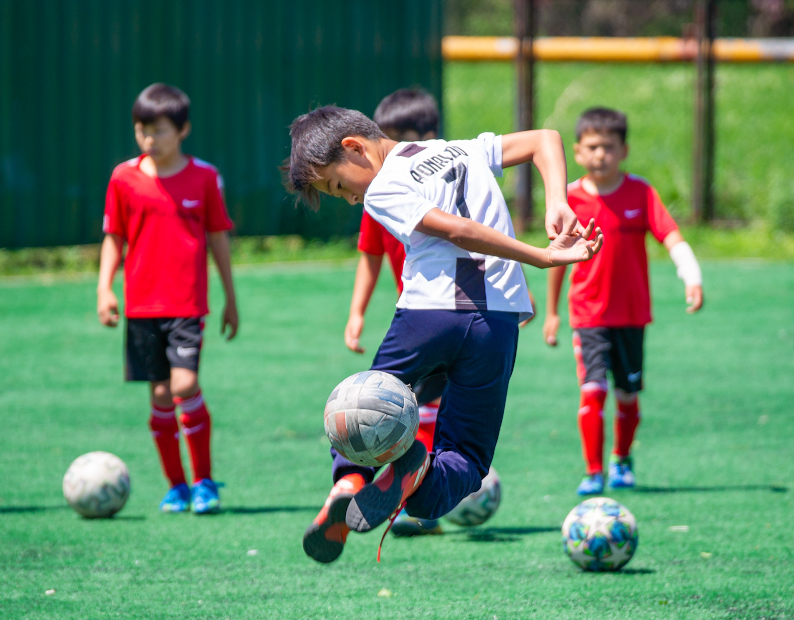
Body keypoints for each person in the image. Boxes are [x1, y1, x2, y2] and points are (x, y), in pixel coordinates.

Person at [283, 106, 602, 563]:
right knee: (467, 460)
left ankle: (349, 480)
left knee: (362, 403)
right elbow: (545, 139)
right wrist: (558, 202)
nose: (350, 199)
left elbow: (458, 230)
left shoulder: (383, 188)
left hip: (427, 315)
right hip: (495, 321)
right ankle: (417, 481)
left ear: (353, 147)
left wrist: (541, 257)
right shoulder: (457, 149)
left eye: (337, 185)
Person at [542, 107, 703, 496]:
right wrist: (551, 312)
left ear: (624, 150)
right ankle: (593, 472)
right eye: (593, 147)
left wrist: (692, 275)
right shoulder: (571, 200)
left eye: (609, 147)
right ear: (578, 152)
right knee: (593, 390)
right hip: (588, 314)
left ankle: (622, 460)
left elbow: (671, 235)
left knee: (627, 395)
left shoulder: (641, 193)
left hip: (631, 316)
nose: (601, 154)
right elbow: (557, 259)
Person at [97, 83, 238, 515]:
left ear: (183, 130)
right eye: (142, 130)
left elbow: (218, 238)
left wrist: (230, 297)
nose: (149, 139)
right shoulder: (123, 177)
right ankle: (177, 486)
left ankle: (204, 481)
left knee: (184, 384)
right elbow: (113, 237)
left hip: (187, 305)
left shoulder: (204, 177)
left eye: (158, 130)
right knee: (159, 394)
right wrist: (104, 287)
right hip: (141, 307)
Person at [344, 89, 445, 537]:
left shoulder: (444, 184)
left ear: (432, 138)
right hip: (417, 317)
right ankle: (412, 499)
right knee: (408, 406)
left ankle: (413, 498)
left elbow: (480, 235)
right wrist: (356, 313)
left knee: (423, 407)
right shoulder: (377, 196)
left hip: (452, 312)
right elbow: (368, 255)